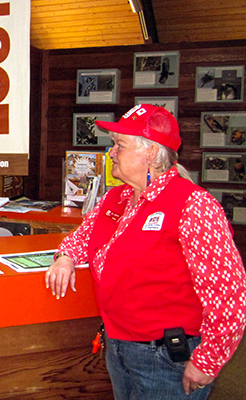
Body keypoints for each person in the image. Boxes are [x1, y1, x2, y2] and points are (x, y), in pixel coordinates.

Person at [45, 104, 246, 399]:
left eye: (119, 145)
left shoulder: (193, 206)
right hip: (118, 348)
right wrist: (65, 258)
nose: (111, 152)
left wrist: (208, 361)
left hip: (166, 357)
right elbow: (81, 238)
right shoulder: (116, 197)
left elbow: (228, 293)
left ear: (151, 153)